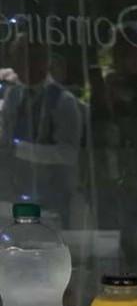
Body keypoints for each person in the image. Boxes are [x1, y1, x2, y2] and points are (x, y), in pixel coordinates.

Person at [0, 34, 83, 225]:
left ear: (45, 61)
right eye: (17, 59)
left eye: (29, 58)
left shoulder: (64, 102)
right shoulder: (13, 95)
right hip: (13, 195)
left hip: (52, 199)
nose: (22, 65)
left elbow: (69, 154)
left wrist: (19, 149)